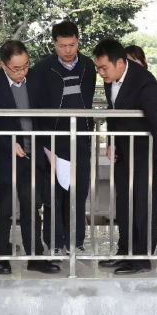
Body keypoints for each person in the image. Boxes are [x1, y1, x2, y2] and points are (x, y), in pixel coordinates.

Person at [93, 39, 157, 275]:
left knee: (143, 205)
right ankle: (125, 251)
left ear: (120, 62)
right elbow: (113, 112)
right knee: (124, 203)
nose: (101, 73)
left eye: (104, 68)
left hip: (146, 153)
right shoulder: (110, 80)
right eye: (98, 68)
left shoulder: (144, 81)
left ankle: (142, 258)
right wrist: (112, 141)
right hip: (124, 152)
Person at [0, 40, 59, 275]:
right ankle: (2, 257)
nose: (22, 72)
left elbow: (46, 115)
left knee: (32, 207)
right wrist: (8, 142)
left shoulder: (36, 80)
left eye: (25, 66)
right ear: (3, 65)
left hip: (34, 156)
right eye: (16, 68)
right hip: (5, 158)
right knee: (2, 209)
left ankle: (35, 257)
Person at [34, 21, 96, 255]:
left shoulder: (88, 66)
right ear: (54, 44)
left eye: (72, 44)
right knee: (54, 193)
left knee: (78, 192)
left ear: (78, 41)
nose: (68, 50)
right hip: (54, 139)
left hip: (80, 138)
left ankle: (76, 242)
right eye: (62, 46)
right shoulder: (43, 68)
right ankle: (54, 242)